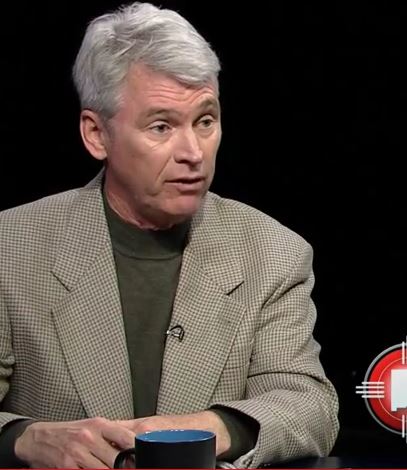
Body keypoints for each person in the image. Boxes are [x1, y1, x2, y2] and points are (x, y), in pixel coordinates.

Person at [0, 2, 338, 468]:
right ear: (96, 134)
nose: (193, 152)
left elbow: (310, 406)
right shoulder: (10, 248)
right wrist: (25, 439)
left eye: (205, 121)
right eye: (162, 126)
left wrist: (210, 429)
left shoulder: (273, 253)